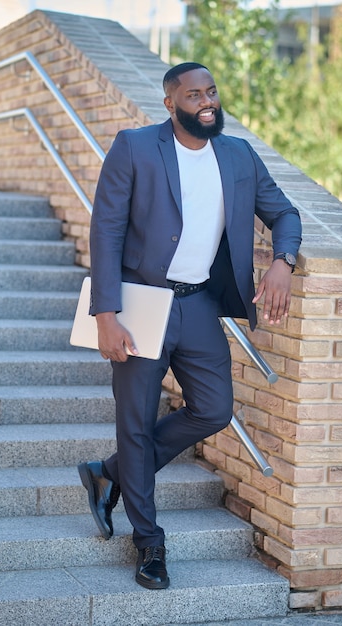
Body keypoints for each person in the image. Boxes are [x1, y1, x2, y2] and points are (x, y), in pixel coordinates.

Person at [78, 62, 302, 590]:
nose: (207, 102)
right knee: (135, 422)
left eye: (212, 91)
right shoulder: (135, 147)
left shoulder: (238, 154)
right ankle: (149, 543)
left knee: (214, 409)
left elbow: (286, 214)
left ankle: (110, 472)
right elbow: (105, 230)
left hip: (199, 303)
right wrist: (105, 316)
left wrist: (282, 262)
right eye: (194, 94)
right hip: (140, 304)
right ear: (170, 103)